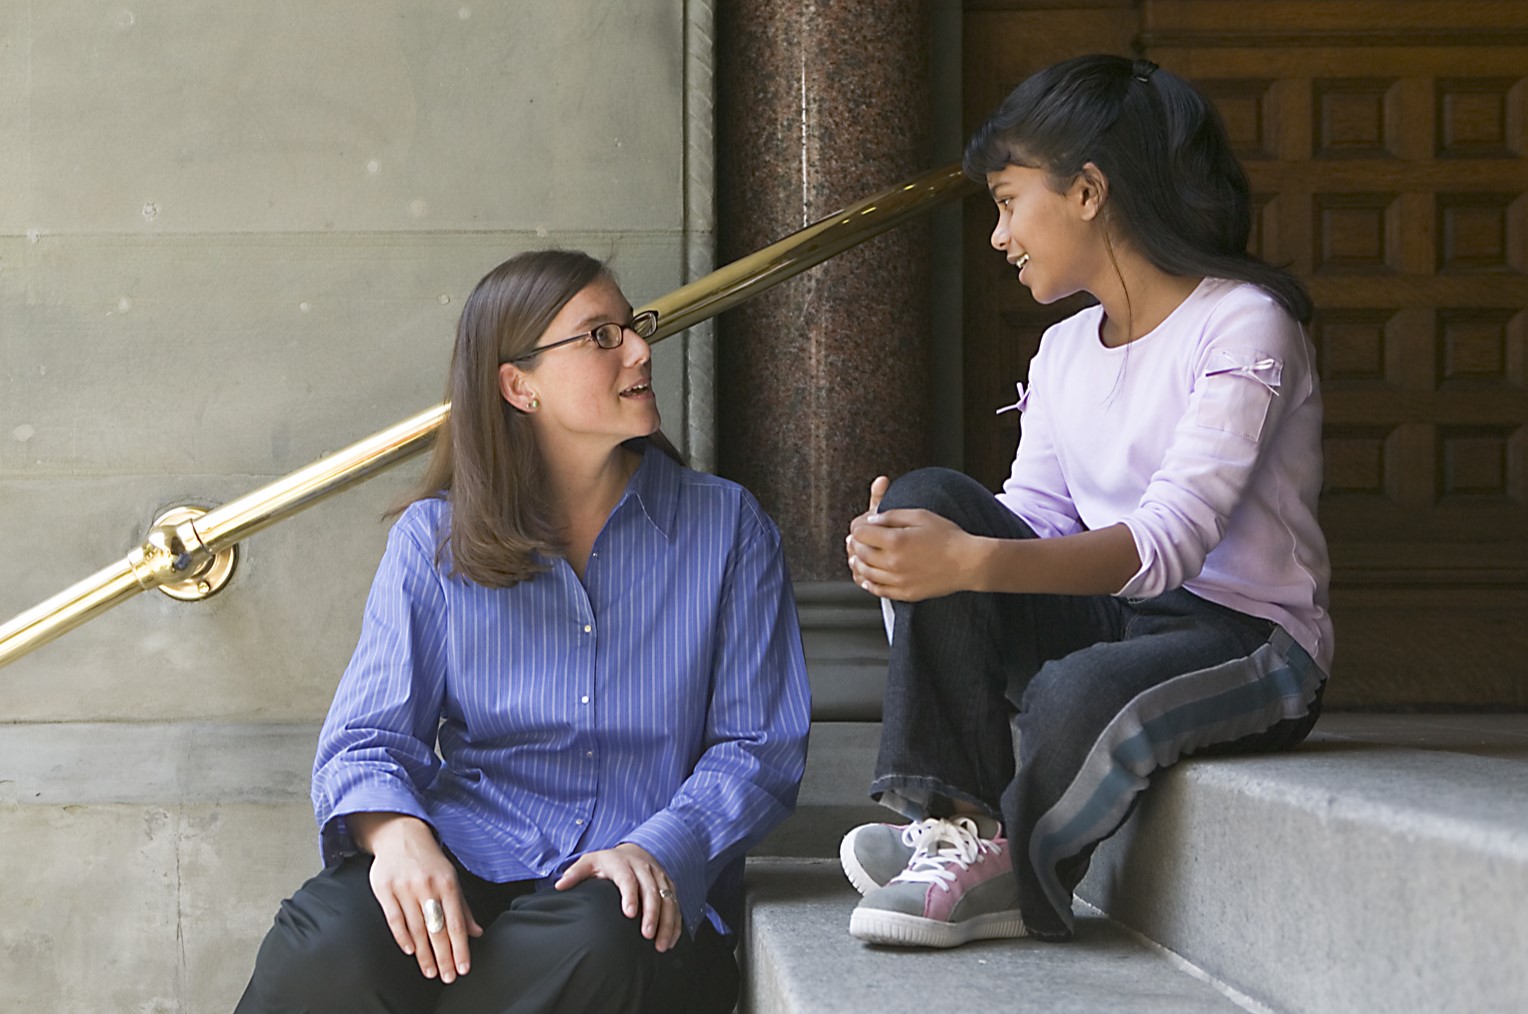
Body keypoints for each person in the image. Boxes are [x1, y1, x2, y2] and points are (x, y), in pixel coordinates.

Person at [839, 54, 1332, 947]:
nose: (998, 234)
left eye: (1006, 199)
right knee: (929, 498)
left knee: (1079, 689)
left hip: (1244, 639)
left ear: (1088, 191)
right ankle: (956, 826)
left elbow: (1171, 541)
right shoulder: (1063, 348)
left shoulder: (1245, 320)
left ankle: (1012, 872)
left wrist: (972, 561)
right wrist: (909, 547)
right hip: (1109, 612)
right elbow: (1034, 522)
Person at [236, 249, 812, 1012]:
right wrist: (398, 836)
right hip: (470, 852)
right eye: (601, 336)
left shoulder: (727, 528)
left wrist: (660, 847)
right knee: (328, 942)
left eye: (632, 328)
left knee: (601, 947)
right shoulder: (434, 541)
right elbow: (365, 738)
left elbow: (760, 746)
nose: (641, 350)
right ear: (519, 385)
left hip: (629, 885)